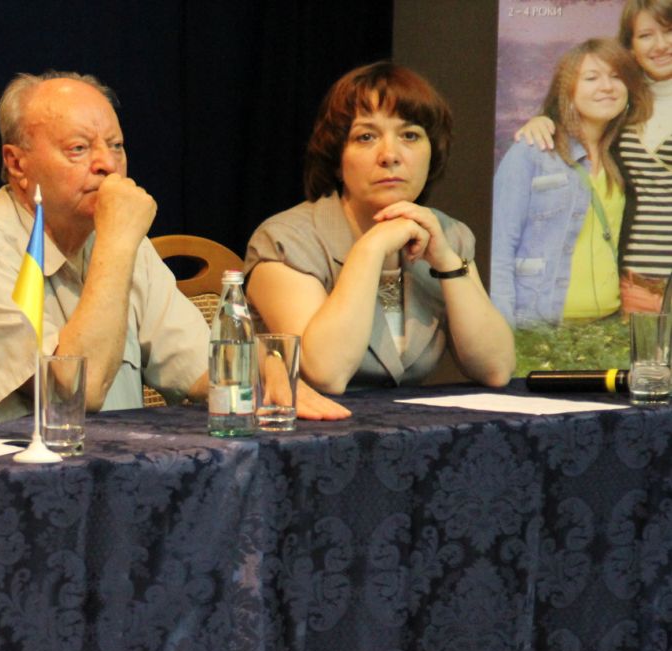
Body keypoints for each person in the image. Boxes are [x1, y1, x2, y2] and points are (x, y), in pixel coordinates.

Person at [0, 72, 349, 427]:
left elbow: (202, 368)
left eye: (116, 146)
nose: (108, 164)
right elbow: (73, 395)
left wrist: (261, 377)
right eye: (78, 149)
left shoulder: (121, 239)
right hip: (5, 485)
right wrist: (118, 242)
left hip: (115, 471)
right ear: (17, 163)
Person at [246, 62, 515, 394]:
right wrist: (371, 249)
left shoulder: (448, 235)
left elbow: (496, 370)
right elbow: (326, 373)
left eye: (410, 135)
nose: (390, 155)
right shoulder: (286, 240)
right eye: (366, 137)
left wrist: (447, 263)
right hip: (303, 422)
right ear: (337, 160)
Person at [516, 1, 672, 314]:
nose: (660, 45)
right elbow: (575, 128)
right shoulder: (617, 102)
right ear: (630, 46)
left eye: (669, 31)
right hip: (631, 288)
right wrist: (544, 121)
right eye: (646, 35)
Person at [494, 40, 649, 328]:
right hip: (541, 327)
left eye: (616, 77)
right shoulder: (532, 151)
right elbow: (498, 250)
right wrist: (502, 330)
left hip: (607, 325)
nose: (607, 87)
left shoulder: (622, 156)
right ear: (567, 90)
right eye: (591, 78)